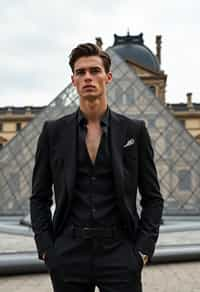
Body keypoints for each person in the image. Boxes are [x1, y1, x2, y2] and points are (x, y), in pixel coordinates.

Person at [30, 43, 164, 292]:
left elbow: (153, 198)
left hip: (120, 253)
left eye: (94, 70)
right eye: (81, 72)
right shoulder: (53, 132)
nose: (88, 77)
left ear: (108, 77)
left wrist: (142, 251)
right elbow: (38, 197)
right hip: (68, 254)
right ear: (73, 80)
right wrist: (48, 250)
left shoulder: (134, 130)